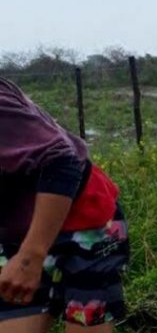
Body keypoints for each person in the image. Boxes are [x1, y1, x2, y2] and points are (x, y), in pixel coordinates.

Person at [0, 77, 129, 332]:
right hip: (16, 228)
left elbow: (62, 162)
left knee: (84, 322)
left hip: (84, 223)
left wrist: (30, 257)